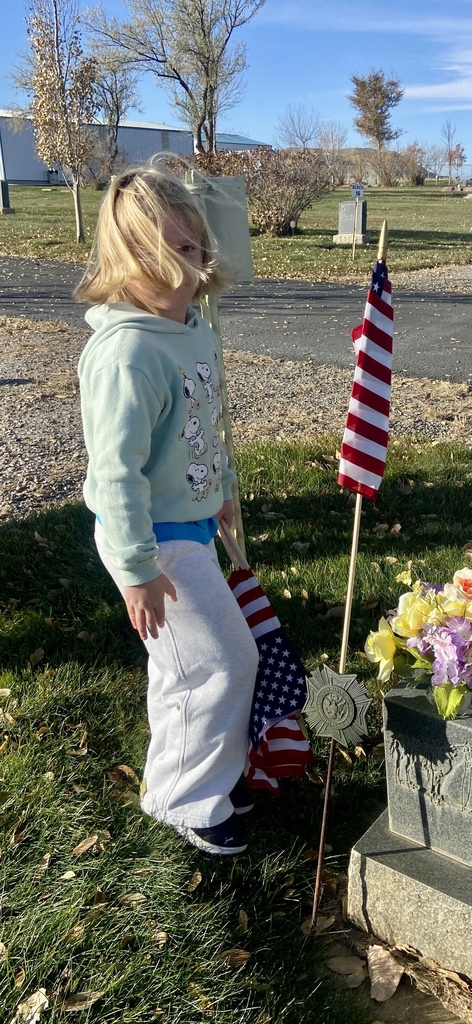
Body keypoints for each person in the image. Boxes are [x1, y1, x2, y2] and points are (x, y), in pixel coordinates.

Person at [75, 162, 258, 855]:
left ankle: (204, 767)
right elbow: (115, 473)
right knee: (221, 661)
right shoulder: (126, 355)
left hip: (192, 527)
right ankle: (182, 799)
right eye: (170, 251)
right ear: (129, 261)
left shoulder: (192, 331)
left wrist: (223, 493)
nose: (191, 263)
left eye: (193, 246)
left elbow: (207, 427)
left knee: (188, 664)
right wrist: (135, 570)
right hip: (152, 541)